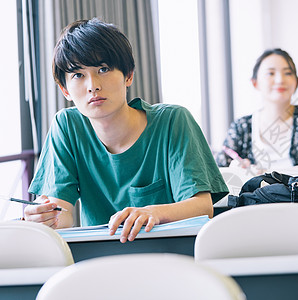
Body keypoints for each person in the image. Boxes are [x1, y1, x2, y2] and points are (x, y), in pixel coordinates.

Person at [25, 18, 228, 243]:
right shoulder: (66, 127)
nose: (93, 85)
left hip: (170, 254)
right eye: (78, 75)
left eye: (103, 69)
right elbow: (62, 216)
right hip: (99, 260)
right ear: (65, 90)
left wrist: (154, 213)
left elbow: (203, 207)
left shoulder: (173, 121)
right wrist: (45, 219)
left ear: (128, 75)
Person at [215, 48, 298, 172]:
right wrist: (237, 169)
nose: (280, 80)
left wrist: (265, 173)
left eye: (288, 73)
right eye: (270, 73)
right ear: (255, 82)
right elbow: (219, 171)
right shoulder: (242, 126)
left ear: (296, 82)